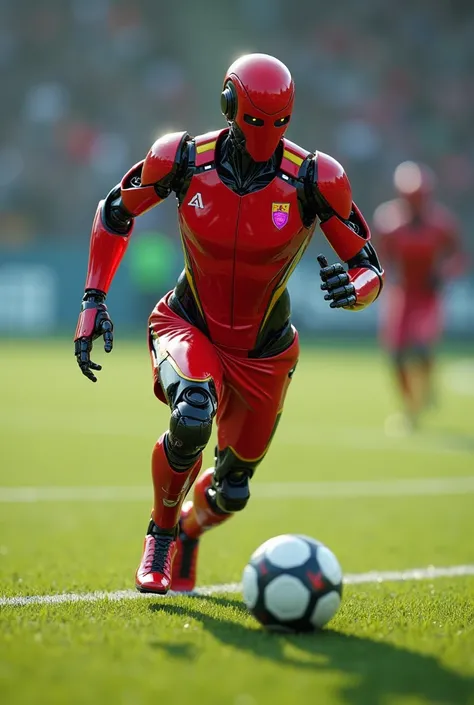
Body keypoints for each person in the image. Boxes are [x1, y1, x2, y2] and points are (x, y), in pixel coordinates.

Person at [74, 53, 384, 594]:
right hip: (189, 323)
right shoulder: (182, 159)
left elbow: (370, 268)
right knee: (191, 412)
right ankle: (161, 537)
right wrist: (92, 299)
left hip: (265, 352)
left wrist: (354, 291)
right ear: (229, 104)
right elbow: (114, 212)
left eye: (278, 121)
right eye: (256, 118)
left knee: (232, 490)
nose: (266, 133)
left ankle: (192, 527)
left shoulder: (315, 178)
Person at [373, 161, 465, 431]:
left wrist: (444, 274)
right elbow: (381, 258)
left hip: (427, 297)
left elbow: (458, 256)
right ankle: (410, 408)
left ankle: (428, 385)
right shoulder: (388, 223)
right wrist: (387, 278)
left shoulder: (441, 225)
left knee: (423, 350)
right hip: (402, 294)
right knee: (397, 355)